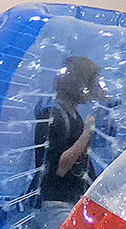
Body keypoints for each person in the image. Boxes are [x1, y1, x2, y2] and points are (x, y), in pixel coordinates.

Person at [36, 56, 112, 212]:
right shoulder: (52, 116)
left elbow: (82, 160)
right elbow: (60, 168)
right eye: (92, 82)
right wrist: (86, 134)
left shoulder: (74, 115)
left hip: (74, 202)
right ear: (80, 84)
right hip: (56, 205)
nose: (95, 87)